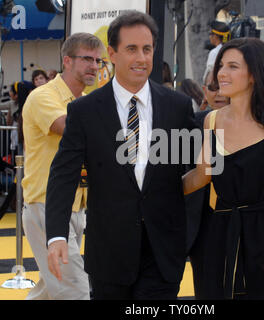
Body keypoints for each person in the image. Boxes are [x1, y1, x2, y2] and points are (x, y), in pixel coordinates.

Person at [45, 10, 195, 300]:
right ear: (112, 54)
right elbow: (63, 176)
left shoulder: (178, 106)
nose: (141, 58)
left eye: (147, 49)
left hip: (164, 254)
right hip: (109, 254)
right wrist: (56, 235)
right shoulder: (85, 111)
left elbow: (191, 172)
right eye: (131, 49)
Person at [182, 38, 264, 299]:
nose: (221, 73)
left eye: (232, 66)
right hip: (220, 236)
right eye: (221, 66)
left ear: (254, 74)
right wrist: (154, 187)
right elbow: (203, 175)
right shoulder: (211, 120)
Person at [22, 32, 105, 300]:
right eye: (87, 59)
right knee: (75, 291)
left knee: (50, 291)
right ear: (67, 61)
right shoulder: (42, 96)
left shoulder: (84, 103)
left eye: (98, 61)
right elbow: (68, 128)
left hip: (75, 205)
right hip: (46, 204)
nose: (94, 66)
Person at [186, 68, 229, 299]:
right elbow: (181, 173)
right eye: (213, 87)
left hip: (242, 221)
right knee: (206, 290)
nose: (219, 92)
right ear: (205, 91)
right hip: (203, 221)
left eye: (223, 85)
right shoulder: (193, 124)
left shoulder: (254, 125)